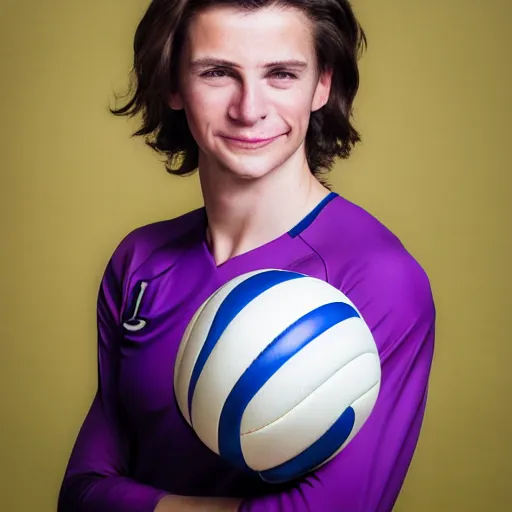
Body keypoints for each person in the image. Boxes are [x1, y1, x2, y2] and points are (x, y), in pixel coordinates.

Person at [57, 1, 436, 511]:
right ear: (174, 86)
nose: (249, 108)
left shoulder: (379, 279)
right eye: (217, 72)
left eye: (281, 73)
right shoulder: (140, 261)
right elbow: (81, 493)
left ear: (321, 84)